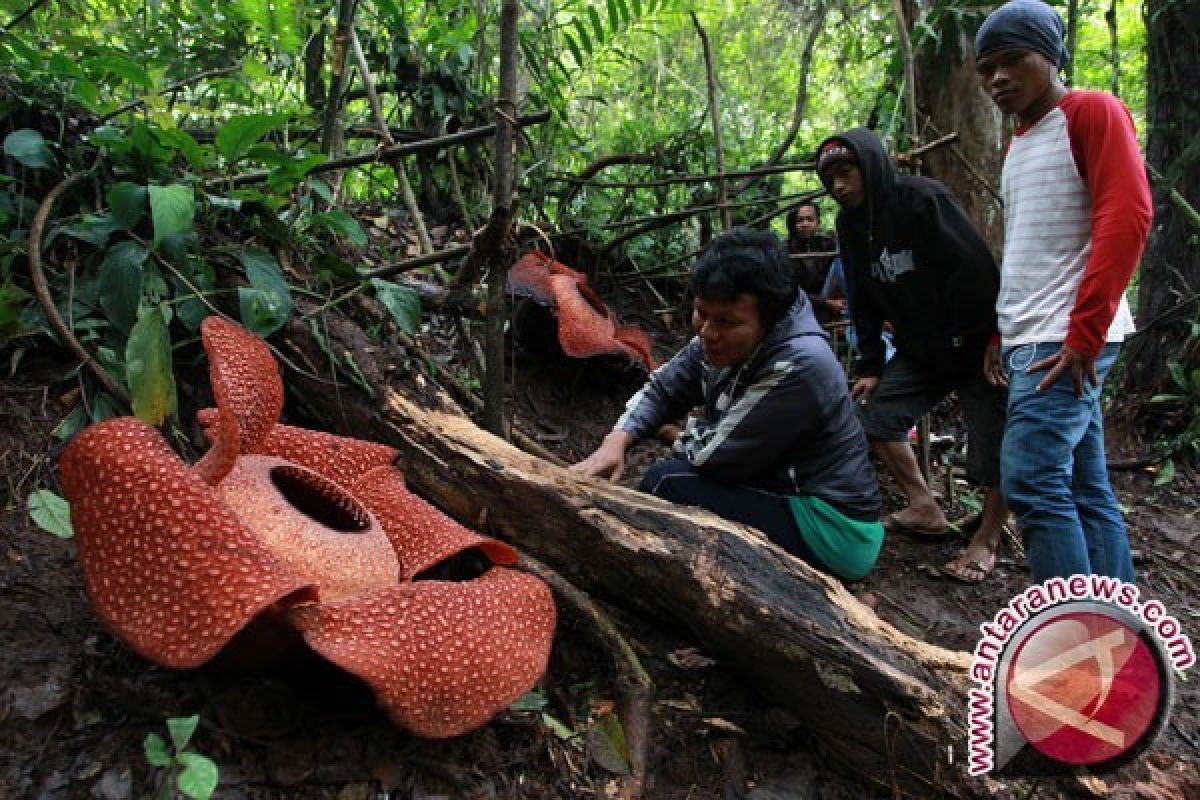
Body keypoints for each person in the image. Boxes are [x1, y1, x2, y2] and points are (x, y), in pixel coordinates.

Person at [571, 229, 884, 582]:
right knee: (673, 476)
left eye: (727, 322)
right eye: (700, 313)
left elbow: (713, 457)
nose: (706, 331)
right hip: (787, 490)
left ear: (769, 322)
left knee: (667, 483)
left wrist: (679, 433)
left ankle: (648, 582)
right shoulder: (717, 336)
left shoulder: (801, 363)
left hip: (834, 529)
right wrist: (617, 440)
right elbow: (665, 386)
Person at [974, 0, 1151, 584]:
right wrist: (1005, 327)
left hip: (1067, 336)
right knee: (1081, 484)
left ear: (1051, 57)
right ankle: (1119, 635)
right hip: (1038, 333)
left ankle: (1073, 646)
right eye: (986, 69)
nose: (997, 78)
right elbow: (1030, 245)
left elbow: (1127, 218)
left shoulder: (1091, 112)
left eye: (1012, 61)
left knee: (1029, 477)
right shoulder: (1020, 141)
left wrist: (1085, 333)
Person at [816, 127, 1010, 584]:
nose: (839, 186)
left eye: (847, 172)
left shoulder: (923, 200)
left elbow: (977, 268)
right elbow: (861, 296)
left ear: (871, 166)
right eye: (830, 180)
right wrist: (869, 364)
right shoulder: (850, 226)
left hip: (977, 341)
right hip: (922, 349)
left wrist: (995, 335)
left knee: (993, 448)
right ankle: (924, 507)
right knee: (878, 418)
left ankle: (987, 537)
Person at [785, 201, 841, 323]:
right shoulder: (785, 250)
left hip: (829, 297)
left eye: (810, 219)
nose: (805, 224)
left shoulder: (827, 244)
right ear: (792, 224)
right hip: (801, 306)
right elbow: (790, 292)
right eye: (799, 220)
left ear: (818, 222)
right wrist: (826, 303)